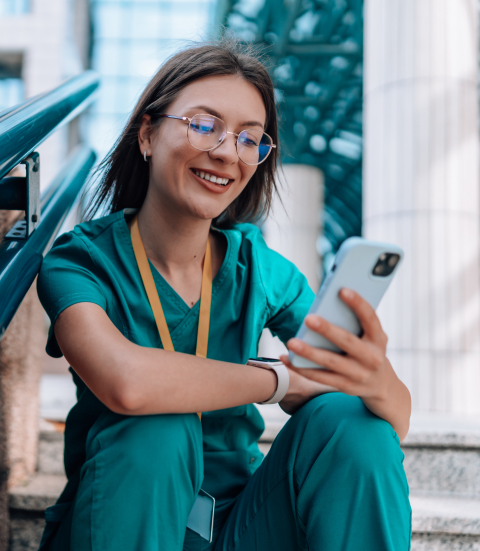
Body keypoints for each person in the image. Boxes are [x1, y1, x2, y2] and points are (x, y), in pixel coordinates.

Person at [35, 40, 412, 551]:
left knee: (354, 423)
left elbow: (393, 420)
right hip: (127, 518)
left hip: (242, 528)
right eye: (203, 125)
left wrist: (375, 377)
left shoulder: (261, 269)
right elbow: (126, 383)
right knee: (156, 431)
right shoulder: (80, 261)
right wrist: (277, 380)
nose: (226, 152)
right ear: (147, 134)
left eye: (250, 139)